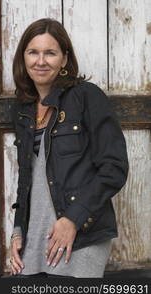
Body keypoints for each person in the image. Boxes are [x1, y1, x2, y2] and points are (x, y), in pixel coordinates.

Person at [9, 18, 128, 278]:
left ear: (64, 59)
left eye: (50, 53)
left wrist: (73, 219)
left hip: (81, 235)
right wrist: (18, 230)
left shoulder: (87, 97)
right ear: (23, 57)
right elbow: (26, 179)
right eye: (33, 52)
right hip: (36, 235)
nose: (41, 61)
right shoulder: (24, 111)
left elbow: (114, 168)